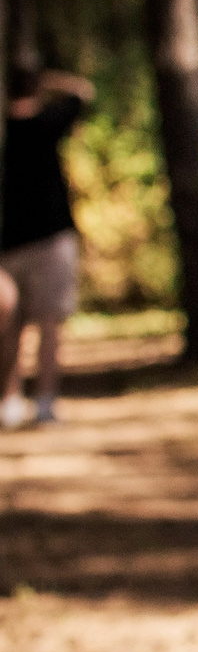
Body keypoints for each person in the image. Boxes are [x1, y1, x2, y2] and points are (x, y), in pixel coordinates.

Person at [0, 66, 94, 428]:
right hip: (53, 239)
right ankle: (44, 401)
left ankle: (10, 400)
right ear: (35, 91)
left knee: (11, 327)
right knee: (50, 325)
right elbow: (83, 91)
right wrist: (51, 78)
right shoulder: (48, 122)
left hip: (9, 244)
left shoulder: (8, 133)